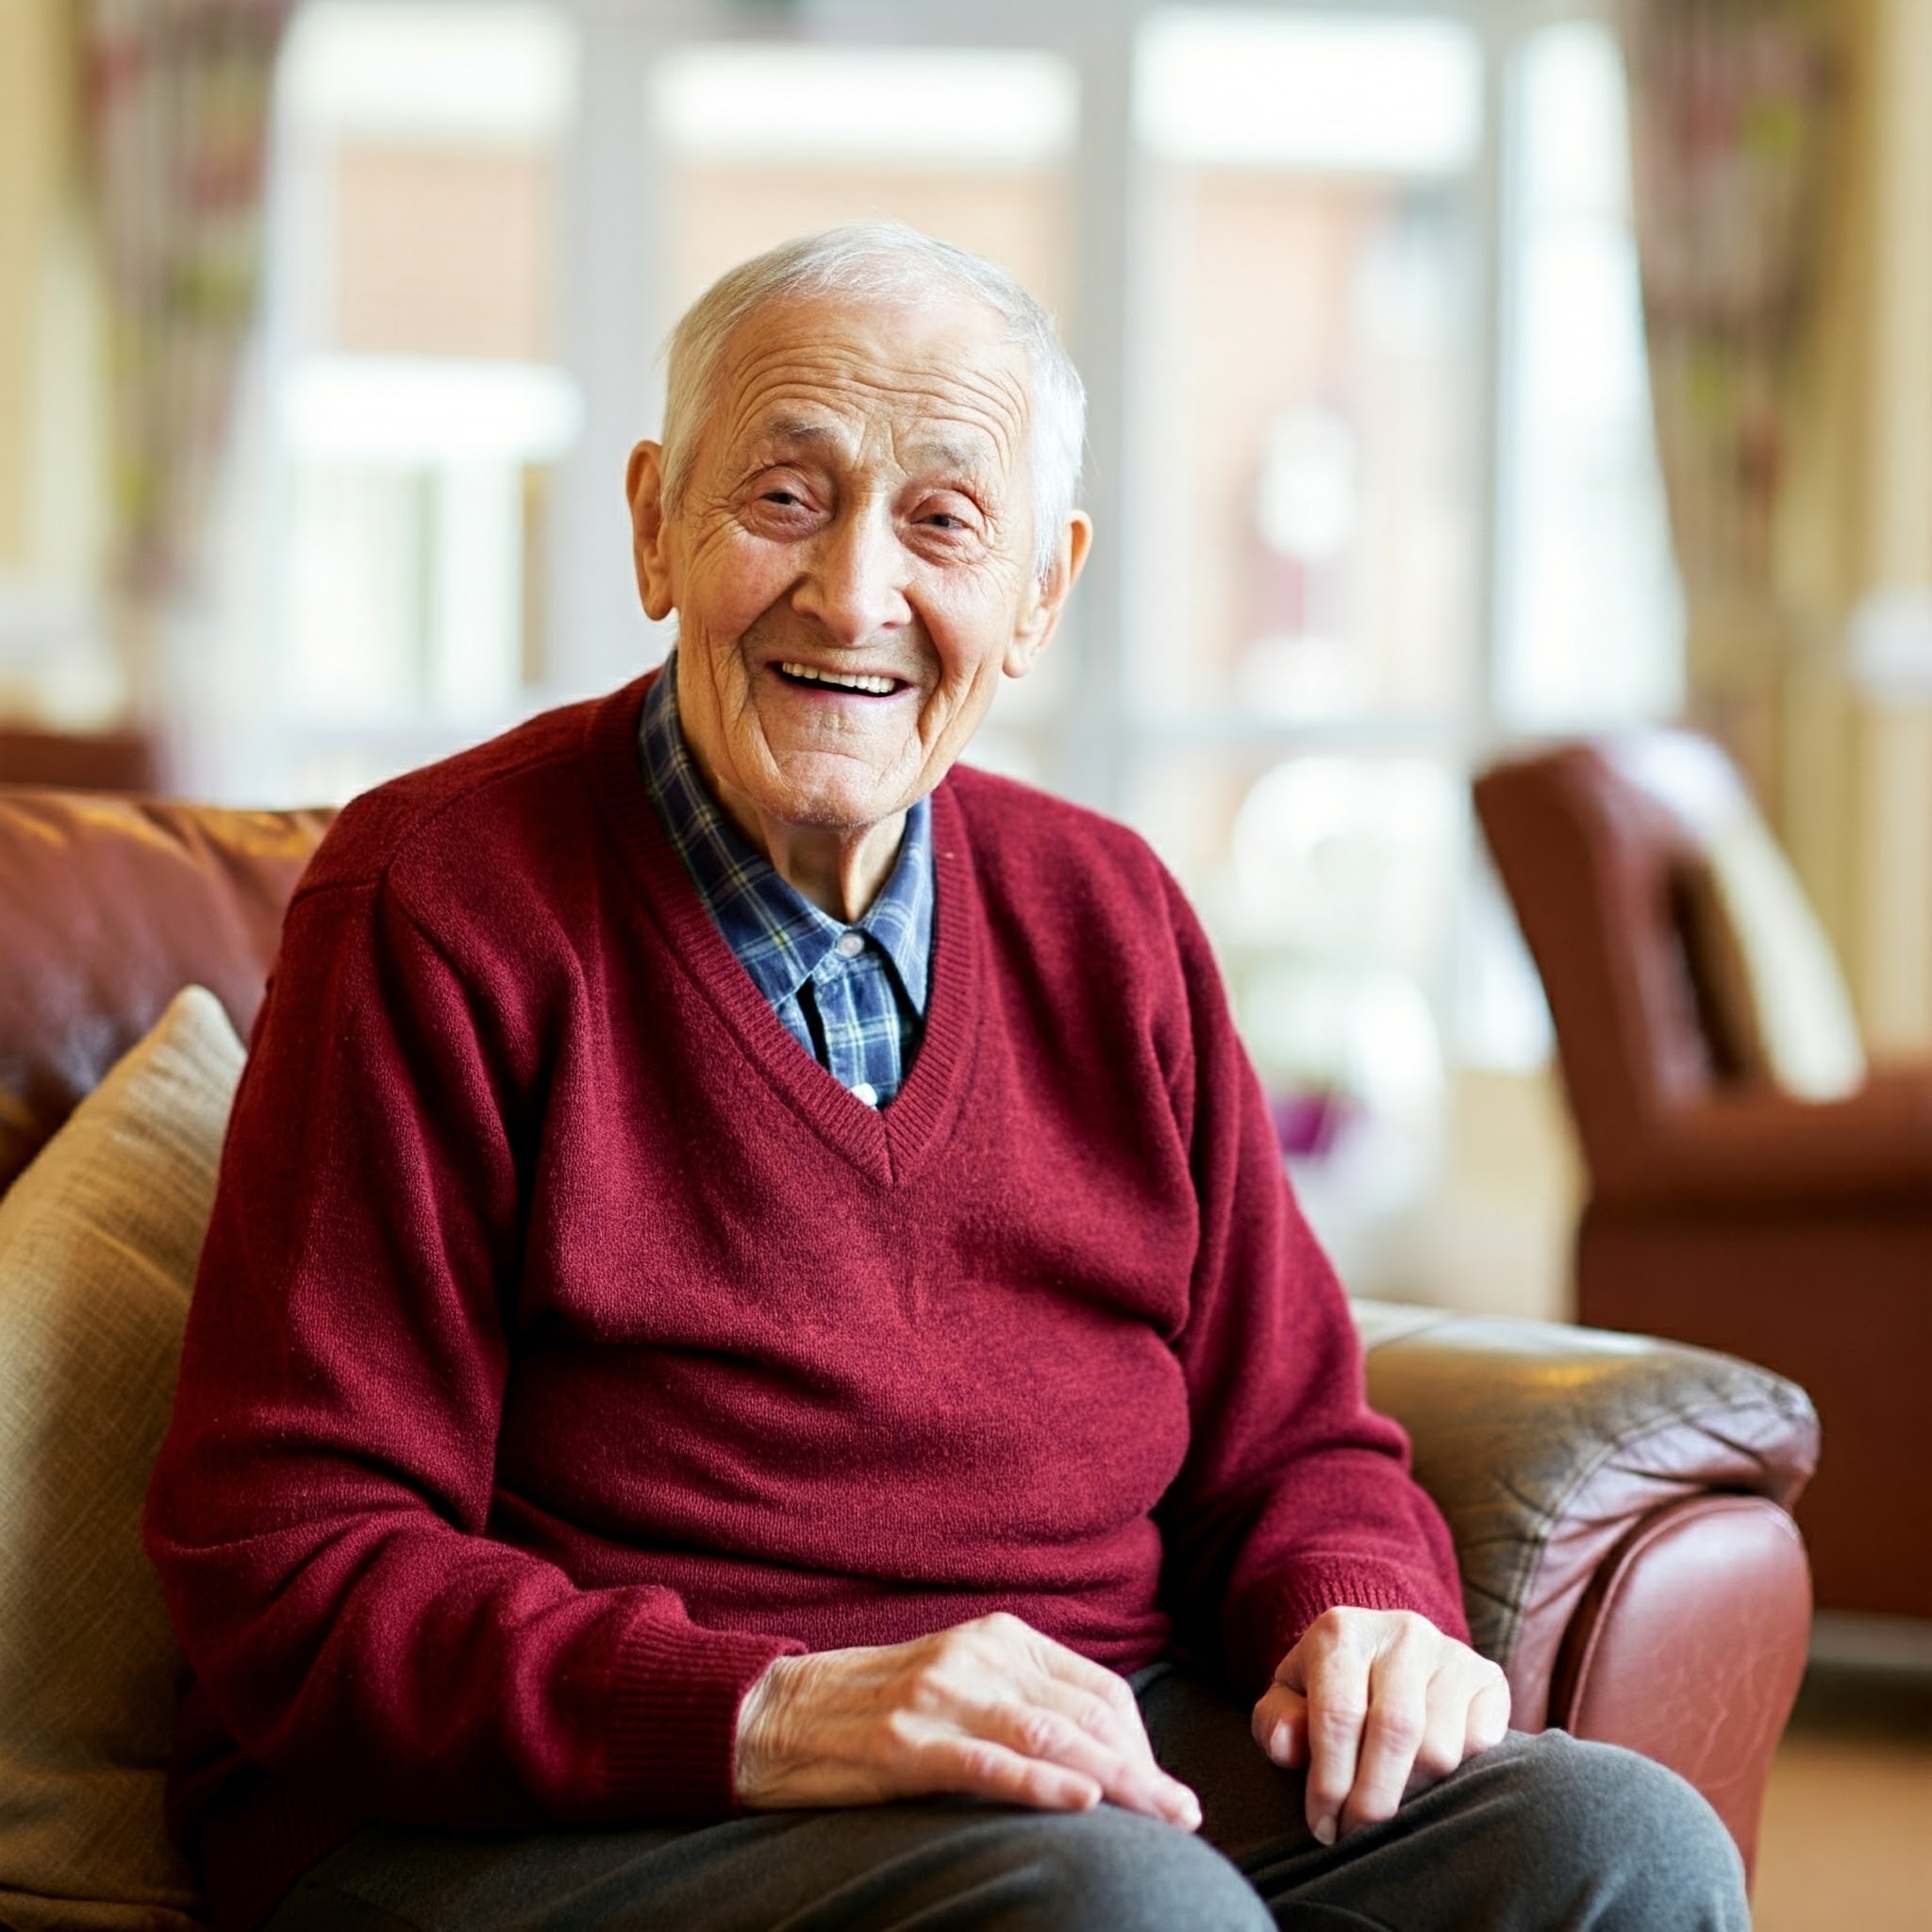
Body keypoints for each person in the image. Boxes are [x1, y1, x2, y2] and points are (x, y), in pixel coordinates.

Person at [146, 224, 1747, 1932]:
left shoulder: (1111, 912)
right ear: (651, 525)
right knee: (1128, 1912)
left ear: (1041, 592)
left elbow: (1297, 1438)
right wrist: (778, 1708)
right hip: (553, 1804)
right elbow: (295, 1560)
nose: (853, 594)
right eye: (783, 497)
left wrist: (1360, 1611)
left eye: (941, 521)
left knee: (1619, 1849)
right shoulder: (441, 901)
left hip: (1071, 1758)